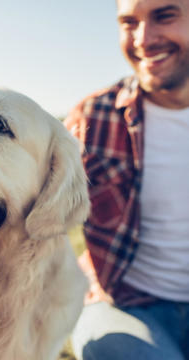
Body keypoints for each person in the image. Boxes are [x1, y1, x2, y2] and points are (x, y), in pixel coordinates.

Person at [64, 0, 189, 359]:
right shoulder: (92, 117)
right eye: (129, 22)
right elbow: (28, 205)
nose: (143, 39)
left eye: (164, 16)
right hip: (123, 304)